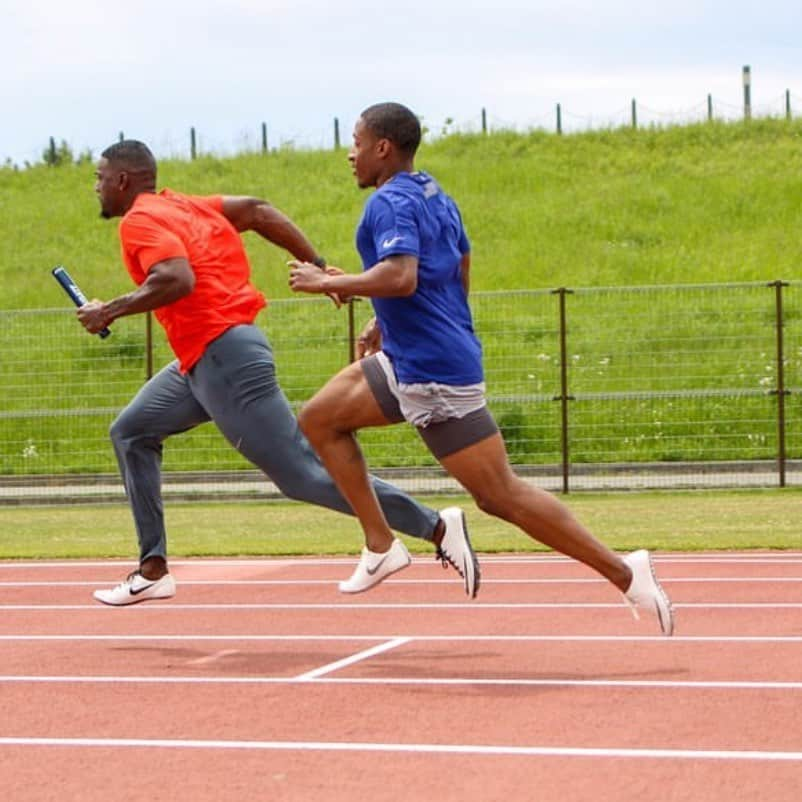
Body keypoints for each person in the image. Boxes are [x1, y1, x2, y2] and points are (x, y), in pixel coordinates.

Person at [288, 102, 674, 635]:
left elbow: (400, 276)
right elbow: (457, 266)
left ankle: (624, 572)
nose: (349, 154)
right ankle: (380, 544)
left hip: (432, 372)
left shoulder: (389, 204)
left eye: (356, 142)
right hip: (416, 356)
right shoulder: (434, 194)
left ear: (383, 147)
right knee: (319, 418)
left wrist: (328, 283)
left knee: (499, 495)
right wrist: (390, 323)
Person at [78, 139, 478, 606]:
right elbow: (257, 210)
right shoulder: (184, 207)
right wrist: (316, 263)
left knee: (302, 475)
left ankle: (433, 525)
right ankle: (153, 568)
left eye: (99, 178)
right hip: (201, 361)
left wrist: (110, 311)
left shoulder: (141, 220)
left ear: (122, 180)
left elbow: (175, 279)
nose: (97, 187)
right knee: (130, 431)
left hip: (224, 357)